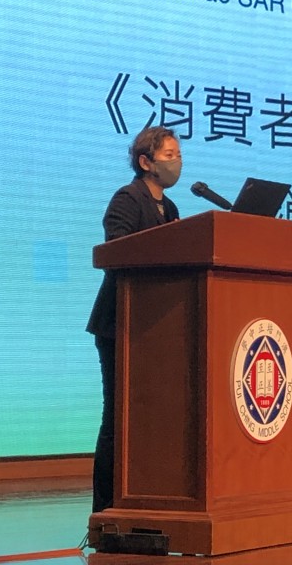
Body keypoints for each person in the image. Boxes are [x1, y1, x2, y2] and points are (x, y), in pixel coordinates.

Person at [86, 125, 182, 513]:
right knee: (118, 419)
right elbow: (116, 252)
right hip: (120, 325)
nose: (177, 163)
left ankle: (147, 499)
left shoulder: (170, 209)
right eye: (169, 156)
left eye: (179, 155)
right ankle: (105, 510)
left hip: (157, 328)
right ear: (146, 161)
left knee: (152, 419)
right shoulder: (127, 199)